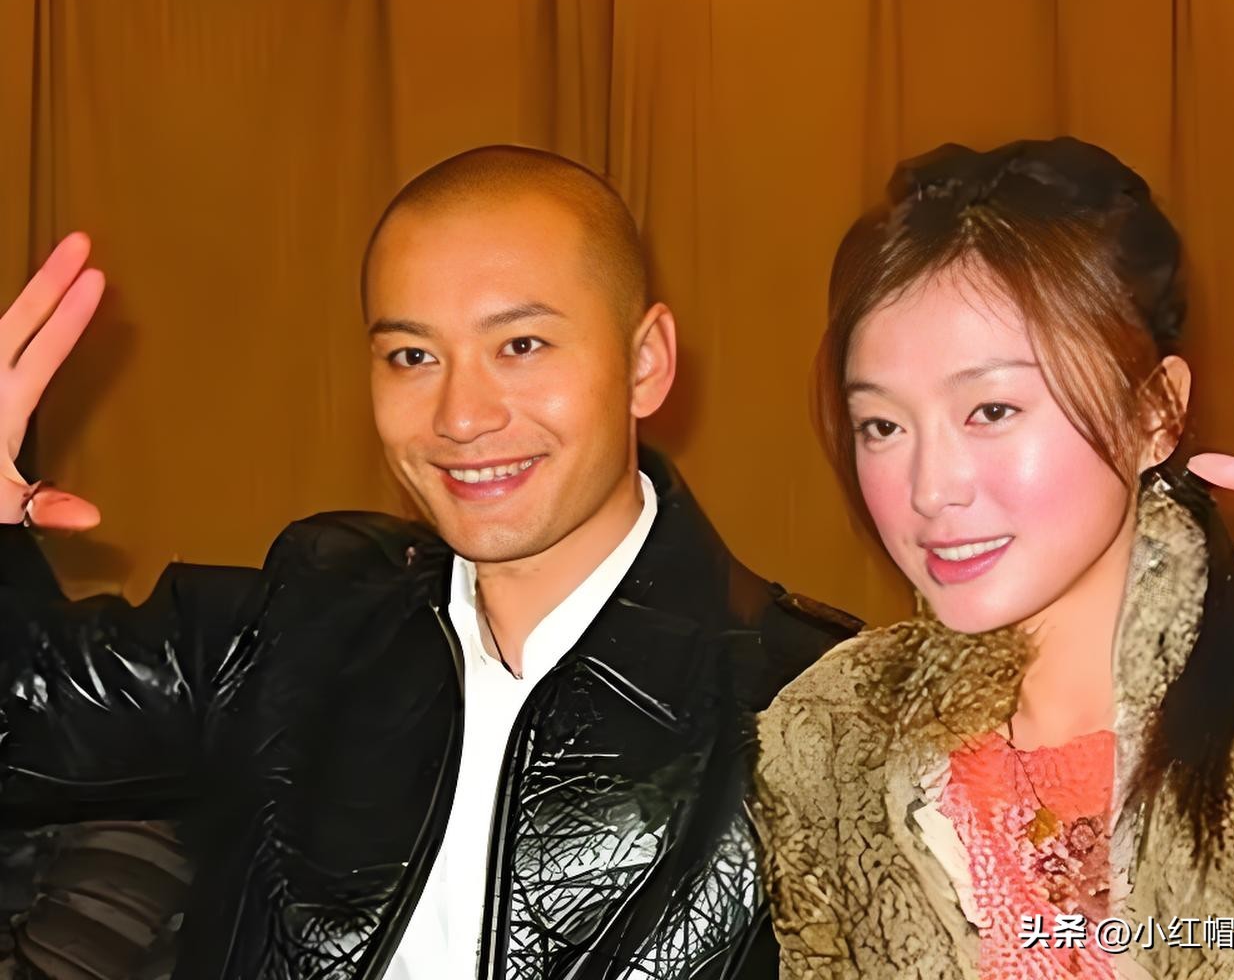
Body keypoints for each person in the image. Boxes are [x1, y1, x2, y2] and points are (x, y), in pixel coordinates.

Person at [0, 146, 859, 979]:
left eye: (521, 346)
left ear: (645, 362)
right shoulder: (302, 622)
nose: (461, 416)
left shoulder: (815, 713)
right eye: (413, 357)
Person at [751, 138, 1234, 979]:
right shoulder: (831, 743)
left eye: (992, 410)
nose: (931, 488)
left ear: (1155, 413)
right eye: (883, 426)